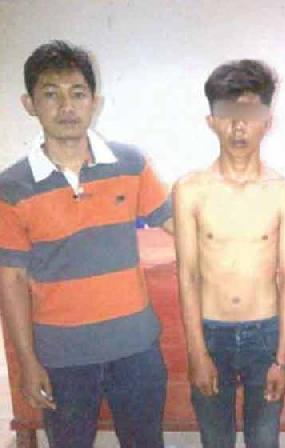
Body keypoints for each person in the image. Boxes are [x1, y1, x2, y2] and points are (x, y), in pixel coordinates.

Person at [0, 40, 172, 447]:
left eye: (77, 93)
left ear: (95, 102)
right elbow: (12, 280)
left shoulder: (131, 164)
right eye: (51, 94)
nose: (67, 106)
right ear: (29, 104)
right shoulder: (11, 187)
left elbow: (178, 226)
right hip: (62, 359)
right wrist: (27, 361)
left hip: (136, 350)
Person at [174, 59, 285, 448]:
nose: (239, 125)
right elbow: (188, 276)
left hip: (265, 334)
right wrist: (196, 352)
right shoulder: (190, 190)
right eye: (228, 114)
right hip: (210, 332)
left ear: (267, 121)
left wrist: (282, 359)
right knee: (215, 440)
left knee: (264, 439)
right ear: (211, 121)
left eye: (250, 114)